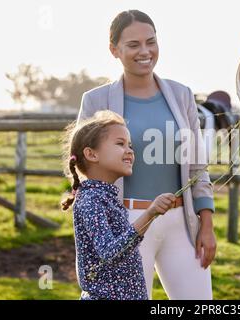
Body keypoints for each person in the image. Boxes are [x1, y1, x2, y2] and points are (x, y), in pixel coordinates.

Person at [77, 10, 216, 299]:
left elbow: (197, 166)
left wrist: (206, 224)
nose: (145, 51)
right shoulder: (95, 100)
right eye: (133, 45)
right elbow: (83, 164)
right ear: (114, 50)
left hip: (181, 222)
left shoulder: (181, 95)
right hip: (126, 223)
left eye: (151, 42)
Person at [61, 110, 176, 300]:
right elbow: (110, 252)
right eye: (120, 144)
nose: (130, 150)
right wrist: (149, 214)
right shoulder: (91, 200)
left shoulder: (106, 196)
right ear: (91, 154)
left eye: (130, 145)